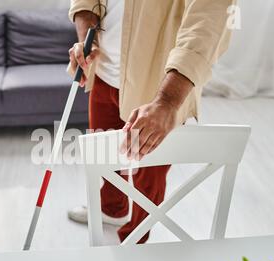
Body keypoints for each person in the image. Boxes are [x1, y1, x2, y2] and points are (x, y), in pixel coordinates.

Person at [67, 0, 235, 243]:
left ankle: (135, 240)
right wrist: (87, 37)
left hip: (158, 84)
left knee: (149, 176)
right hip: (104, 70)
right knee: (105, 156)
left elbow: (208, 20)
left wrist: (167, 101)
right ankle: (112, 208)